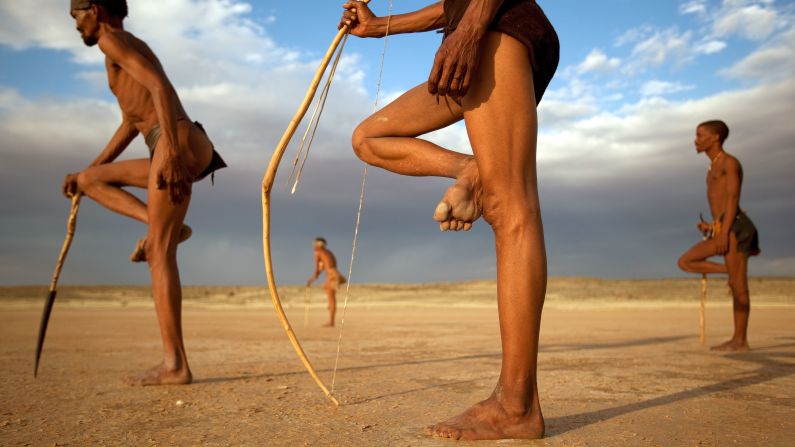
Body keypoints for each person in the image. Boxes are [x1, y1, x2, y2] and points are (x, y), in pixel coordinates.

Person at [340, 0, 558, 440]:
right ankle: (470, 169)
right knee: (369, 138)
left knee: (508, 205)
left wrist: (472, 29)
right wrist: (379, 26)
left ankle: (517, 405)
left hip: (499, 24)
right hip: (478, 22)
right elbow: (449, 5)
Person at [61, 0, 226, 385]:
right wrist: (87, 168)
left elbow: (158, 87)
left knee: (158, 253)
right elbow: (131, 123)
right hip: (176, 139)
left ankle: (175, 366)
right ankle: (156, 226)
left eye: (76, 14)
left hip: (173, 139)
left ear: (96, 9)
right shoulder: (125, 44)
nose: (75, 24)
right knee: (91, 182)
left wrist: (168, 151)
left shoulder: (111, 42)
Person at [678, 120, 760, 352]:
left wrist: (723, 232)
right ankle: (729, 271)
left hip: (734, 228)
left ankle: (740, 340)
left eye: (700, 135)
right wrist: (711, 226)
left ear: (714, 138)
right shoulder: (711, 167)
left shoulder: (730, 163)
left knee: (738, 285)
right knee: (685, 262)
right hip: (721, 227)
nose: (696, 140)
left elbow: (733, 199)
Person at [306, 238, 347, 327]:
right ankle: (331, 319)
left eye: (315, 244)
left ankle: (331, 321)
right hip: (336, 274)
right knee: (331, 297)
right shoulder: (329, 252)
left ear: (318, 245)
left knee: (331, 298)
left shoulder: (318, 252)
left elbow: (317, 270)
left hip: (331, 275)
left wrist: (311, 280)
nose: (313, 246)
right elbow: (326, 266)